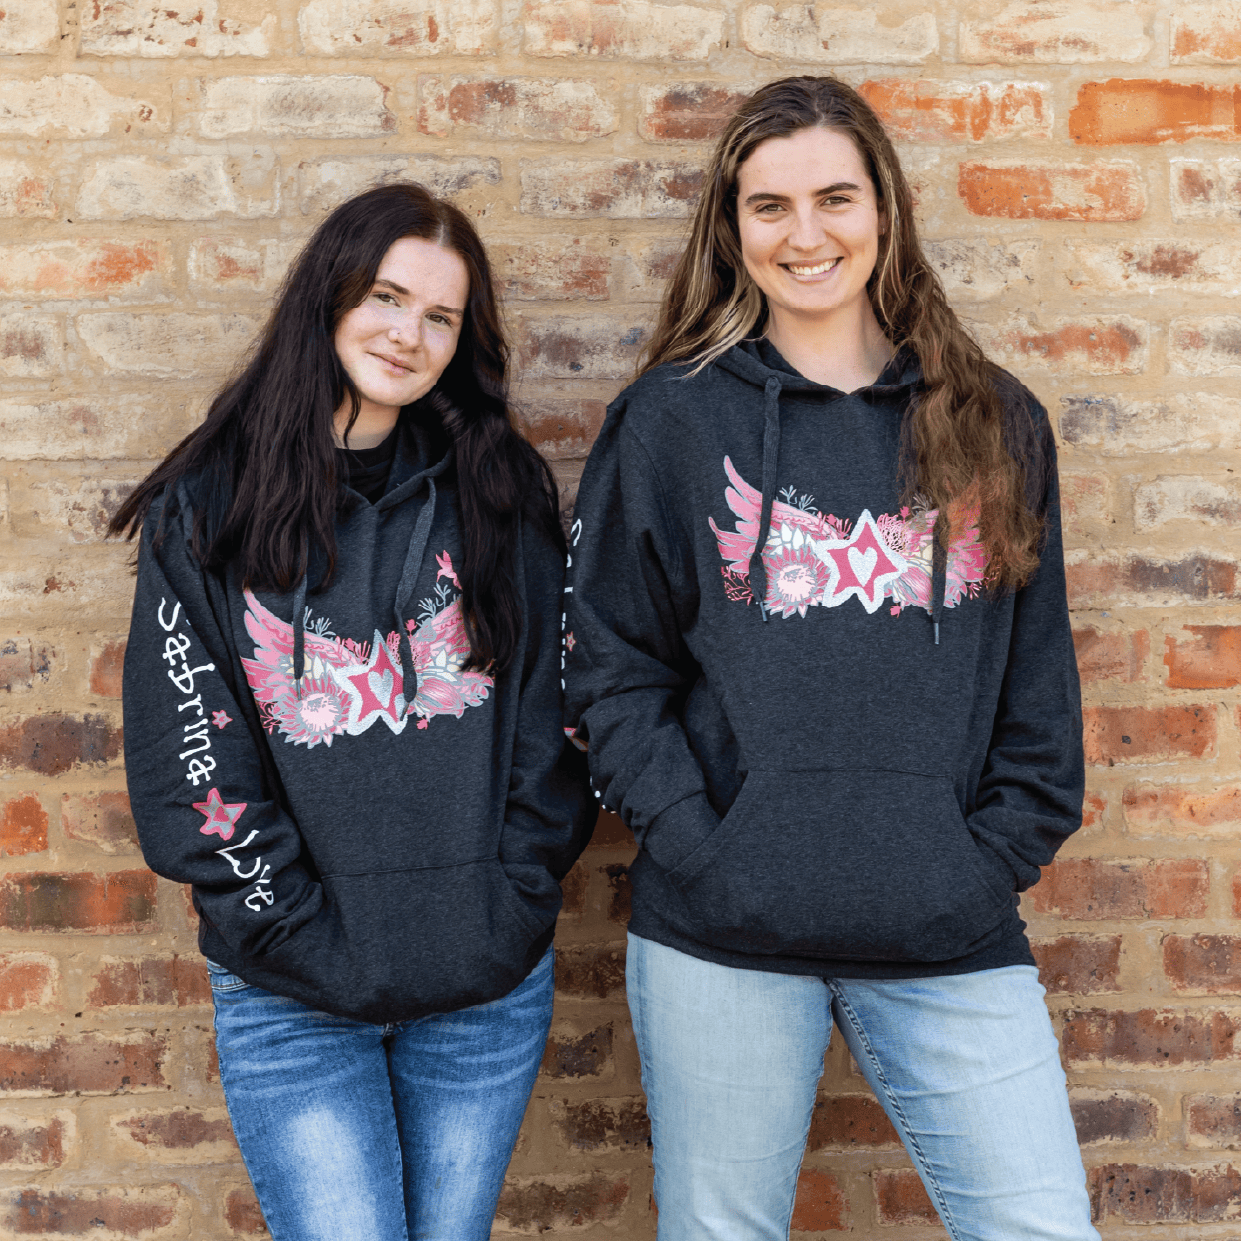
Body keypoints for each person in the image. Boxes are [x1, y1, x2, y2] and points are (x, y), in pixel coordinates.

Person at [564, 77, 1095, 1239]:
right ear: (731, 228)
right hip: (722, 937)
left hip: (949, 930)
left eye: (833, 198)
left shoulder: (993, 420)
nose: (803, 235)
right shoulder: (671, 422)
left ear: (884, 209)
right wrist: (703, 846)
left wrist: (980, 863)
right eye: (768, 206)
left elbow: (1034, 683)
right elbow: (609, 663)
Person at [110, 182, 592, 1241]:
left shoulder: (496, 489)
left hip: (479, 985)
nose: (408, 334)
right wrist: (291, 932)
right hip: (293, 996)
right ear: (329, 297)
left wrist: (509, 899)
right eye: (386, 297)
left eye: (440, 316)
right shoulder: (210, 507)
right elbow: (193, 758)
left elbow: (549, 720)